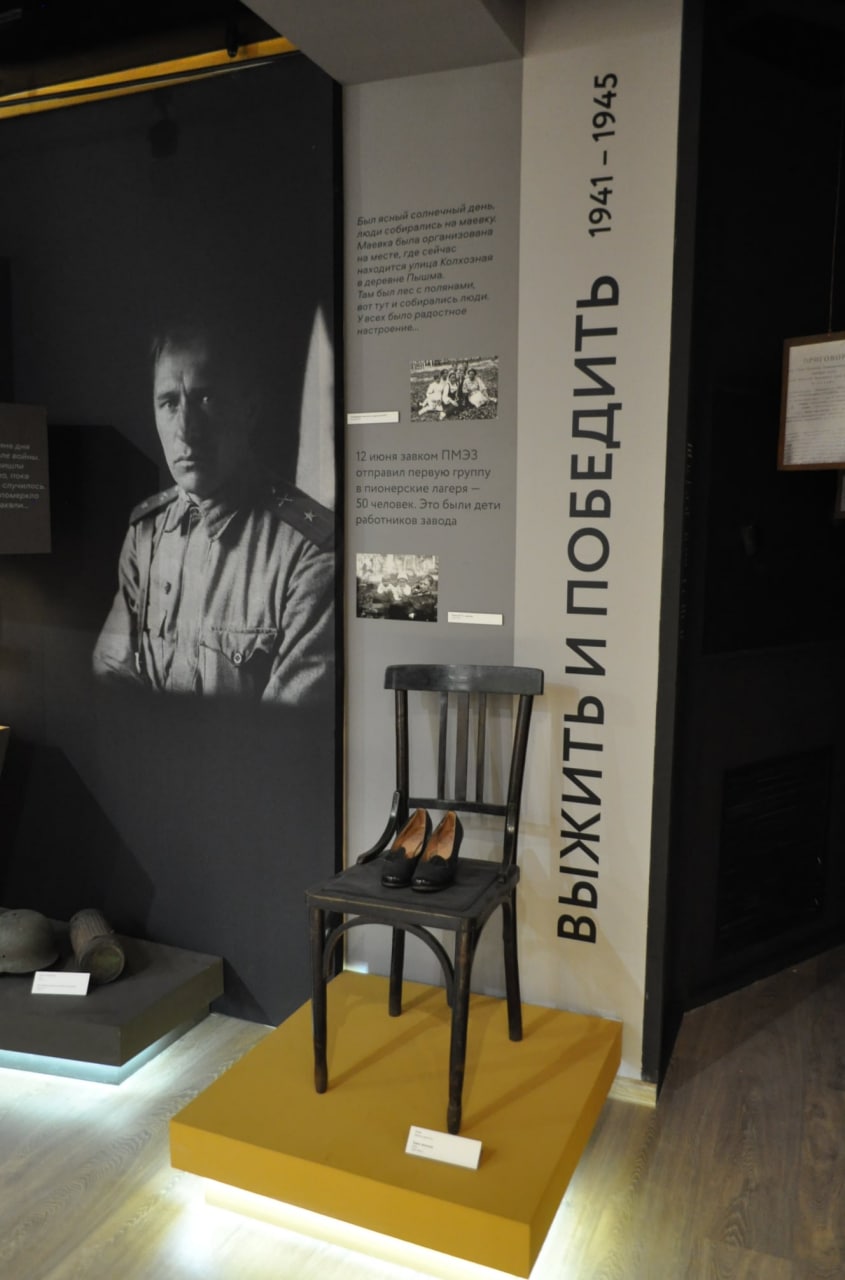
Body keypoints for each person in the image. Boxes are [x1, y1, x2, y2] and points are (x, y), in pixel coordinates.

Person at [92, 322, 335, 705]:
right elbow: (111, 674)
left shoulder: (307, 550)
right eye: (169, 403)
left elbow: (287, 726)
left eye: (205, 398)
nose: (186, 430)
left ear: (249, 409)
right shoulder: (146, 534)